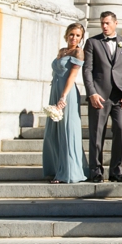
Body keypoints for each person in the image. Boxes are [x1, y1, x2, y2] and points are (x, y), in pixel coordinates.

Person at [82, 11, 122, 183]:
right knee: (97, 134)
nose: (104, 26)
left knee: (120, 130)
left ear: (115, 23)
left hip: (120, 96)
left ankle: (116, 171)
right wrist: (92, 92)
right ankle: (96, 171)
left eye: (107, 23)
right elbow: (87, 70)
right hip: (99, 96)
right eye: (102, 23)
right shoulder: (92, 42)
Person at [42, 23, 89, 184]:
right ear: (66, 35)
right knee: (52, 132)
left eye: (77, 36)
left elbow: (72, 76)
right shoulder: (62, 51)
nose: (74, 38)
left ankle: (68, 172)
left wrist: (63, 97)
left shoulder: (78, 52)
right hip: (55, 91)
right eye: (71, 34)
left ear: (81, 38)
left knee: (68, 131)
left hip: (67, 94)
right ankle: (55, 169)